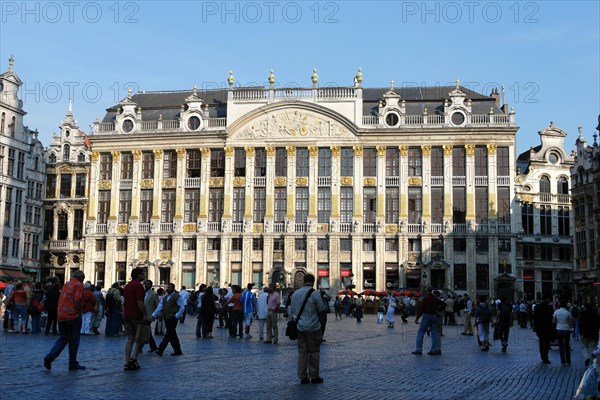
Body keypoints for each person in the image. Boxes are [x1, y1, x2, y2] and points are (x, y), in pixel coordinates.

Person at [43, 270, 86, 371]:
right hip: (72, 315)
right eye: (83, 279)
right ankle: (73, 363)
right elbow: (77, 300)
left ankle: (50, 357)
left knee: (63, 338)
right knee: (74, 340)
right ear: (81, 278)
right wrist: (79, 312)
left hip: (61, 315)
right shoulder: (78, 285)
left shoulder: (66, 284)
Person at [291, 274, 327, 384]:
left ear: (303, 281)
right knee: (314, 351)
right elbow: (322, 311)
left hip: (300, 327)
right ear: (313, 282)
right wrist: (322, 328)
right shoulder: (315, 294)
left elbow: (292, 312)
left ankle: (303, 376)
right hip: (313, 327)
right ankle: (314, 375)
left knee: (302, 352)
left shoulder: (295, 294)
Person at [123, 267, 148, 370]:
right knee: (141, 338)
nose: (144, 275)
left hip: (127, 314)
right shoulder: (139, 286)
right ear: (138, 275)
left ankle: (127, 361)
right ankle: (134, 358)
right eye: (143, 273)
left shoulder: (127, 286)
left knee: (130, 339)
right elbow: (140, 303)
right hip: (136, 315)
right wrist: (145, 315)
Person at [152, 283, 185, 356]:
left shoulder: (177, 296)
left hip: (173, 318)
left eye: (170, 287)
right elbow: (160, 307)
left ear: (173, 288)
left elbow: (182, 307)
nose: (168, 289)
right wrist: (154, 314)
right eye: (168, 287)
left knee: (168, 334)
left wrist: (177, 316)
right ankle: (178, 351)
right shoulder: (165, 298)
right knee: (173, 335)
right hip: (166, 318)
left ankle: (160, 350)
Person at [412, 286, 446, 356]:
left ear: (426, 290)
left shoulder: (426, 298)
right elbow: (444, 304)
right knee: (434, 334)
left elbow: (421, 309)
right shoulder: (434, 297)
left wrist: (417, 318)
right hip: (434, 316)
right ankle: (433, 350)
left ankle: (419, 350)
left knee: (421, 333)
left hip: (427, 316)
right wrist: (437, 308)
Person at [533, 296, 555, 364]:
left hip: (539, 328)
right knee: (546, 342)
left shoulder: (536, 307)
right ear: (546, 299)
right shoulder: (549, 307)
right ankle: (545, 356)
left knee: (541, 342)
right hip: (547, 328)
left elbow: (534, 318)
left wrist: (535, 328)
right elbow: (552, 319)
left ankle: (542, 355)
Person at [553, 300, 573, 366]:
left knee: (561, 346)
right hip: (566, 330)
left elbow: (553, 322)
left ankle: (563, 362)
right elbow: (570, 323)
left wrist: (558, 322)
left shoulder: (556, 312)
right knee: (567, 346)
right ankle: (569, 361)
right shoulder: (568, 313)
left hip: (559, 330)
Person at [142, 280, 159, 353]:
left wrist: (156, 315)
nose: (146, 285)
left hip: (149, 315)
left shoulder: (154, 294)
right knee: (146, 331)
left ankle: (139, 347)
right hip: (141, 315)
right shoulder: (142, 293)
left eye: (148, 284)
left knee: (144, 331)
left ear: (151, 285)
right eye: (145, 284)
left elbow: (157, 305)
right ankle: (153, 347)